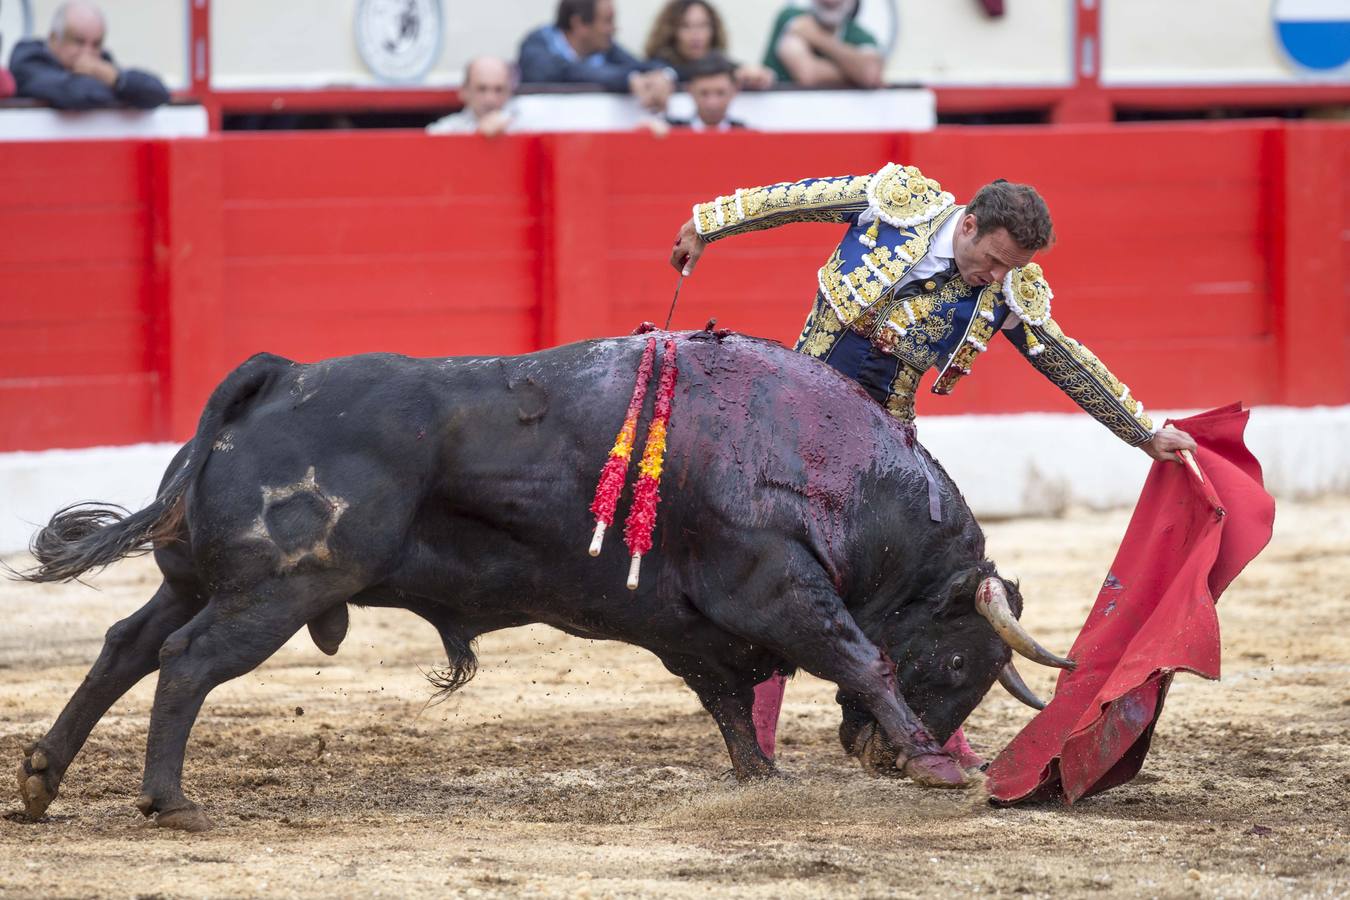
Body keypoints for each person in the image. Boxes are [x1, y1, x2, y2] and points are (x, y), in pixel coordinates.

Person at [669, 162, 1197, 769]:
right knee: (772, 578)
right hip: (794, 428)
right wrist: (707, 224)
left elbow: (1063, 359)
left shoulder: (1005, 292)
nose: (996, 277)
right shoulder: (897, 206)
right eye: (993, 260)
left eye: (1011, 269)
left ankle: (939, 736)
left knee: (915, 588)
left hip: (883, 453)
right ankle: (757, 749)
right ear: (967, 224)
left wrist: (1144, 432)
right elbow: (793, 201)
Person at [518, 0, 674, 113]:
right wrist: (627, 79)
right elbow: (568, 72)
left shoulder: (605, 47)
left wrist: (664, 75)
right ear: (579, 23)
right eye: (607, 21)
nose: (614, 29)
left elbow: (641, 65)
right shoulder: (536, 48)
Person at [8, 1, 169, 110]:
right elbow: (79, 94)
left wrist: (117, 79)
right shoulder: (28, 61)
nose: (87, 53)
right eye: (78, 42)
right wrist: (111, 82)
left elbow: (157, 92)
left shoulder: (104, 66)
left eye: (96, 44)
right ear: (54, 38)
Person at [644, 0, 775, 90]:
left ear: (713, 30)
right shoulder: (657, 66)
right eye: (685, 26)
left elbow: (751, 73)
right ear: (671, 32)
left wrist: (756, 76)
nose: (695, 35)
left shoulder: (723, 64)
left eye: (703, 26)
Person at [762, 0, 883, 88]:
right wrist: (856, 74)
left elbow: (870, 73)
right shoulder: (791, 17)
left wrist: (817, 37)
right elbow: (807, 74)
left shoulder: (861, 36)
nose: (830, 1)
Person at [427, 57, 516, 137]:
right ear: (464, 91)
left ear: (509, 92)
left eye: (498, 90)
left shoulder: (522, 124)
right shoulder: (444, 132)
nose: (490, 99)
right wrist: (478, 135)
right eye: (482, 89)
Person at [665, 54, 745, 131]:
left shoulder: (746, 133)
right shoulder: (670, 130)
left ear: (734, 91)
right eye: (704, 93)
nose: (712, 103)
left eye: (720, 93)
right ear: (690, 91)